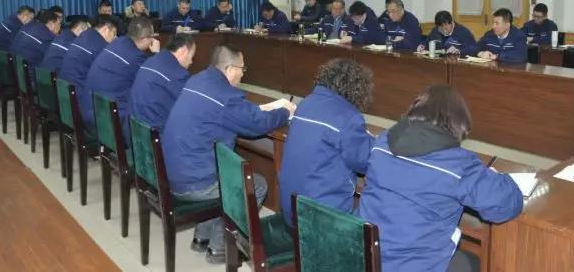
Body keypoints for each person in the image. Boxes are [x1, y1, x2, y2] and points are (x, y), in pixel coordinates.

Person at [357, 85, 524, 272]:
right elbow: (505, 206)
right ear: (458, 122)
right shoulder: (458, 165)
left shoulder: (382, 142)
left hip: (363, 258)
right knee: (471, 262)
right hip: (411, 265)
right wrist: (497, 177)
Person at [161, 45, 296, 264]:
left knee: (219, 171)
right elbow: (258, 124)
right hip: (194, 183)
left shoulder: (198, 80)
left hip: (173, 172)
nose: (243, 74)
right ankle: (220, 247)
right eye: (242, 69)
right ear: (231, 69)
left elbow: (232, 113)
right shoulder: (225, 96)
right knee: (256, 185)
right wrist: (285, 111)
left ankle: (202, 237)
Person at [279, 58, 374, 227]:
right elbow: (365, 162)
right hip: (321, 224)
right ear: (357, 90)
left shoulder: (305, 104)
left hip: (291, 213)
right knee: (377, 216)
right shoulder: (348, 117)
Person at [83, 17, 160, 141]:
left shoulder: (117, 43)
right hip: (107, 122)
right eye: (152, 37)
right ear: (145, 39)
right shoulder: (136, 58)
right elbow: (155, 82)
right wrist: (156, 54)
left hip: (91, 111)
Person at [59, 15, 118, 129]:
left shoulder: (85, 35)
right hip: (78, 101)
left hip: (65, 94)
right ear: (106, 29)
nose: (114, 38)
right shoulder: (100, 46)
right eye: (114, 34)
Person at [128, 33, 195, 133]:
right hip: (155, 134)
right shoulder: (177, 74)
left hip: (136, 127)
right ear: (183, 51)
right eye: (191, 56)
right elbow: (190, 108)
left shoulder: (151, 60)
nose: (191, 61)